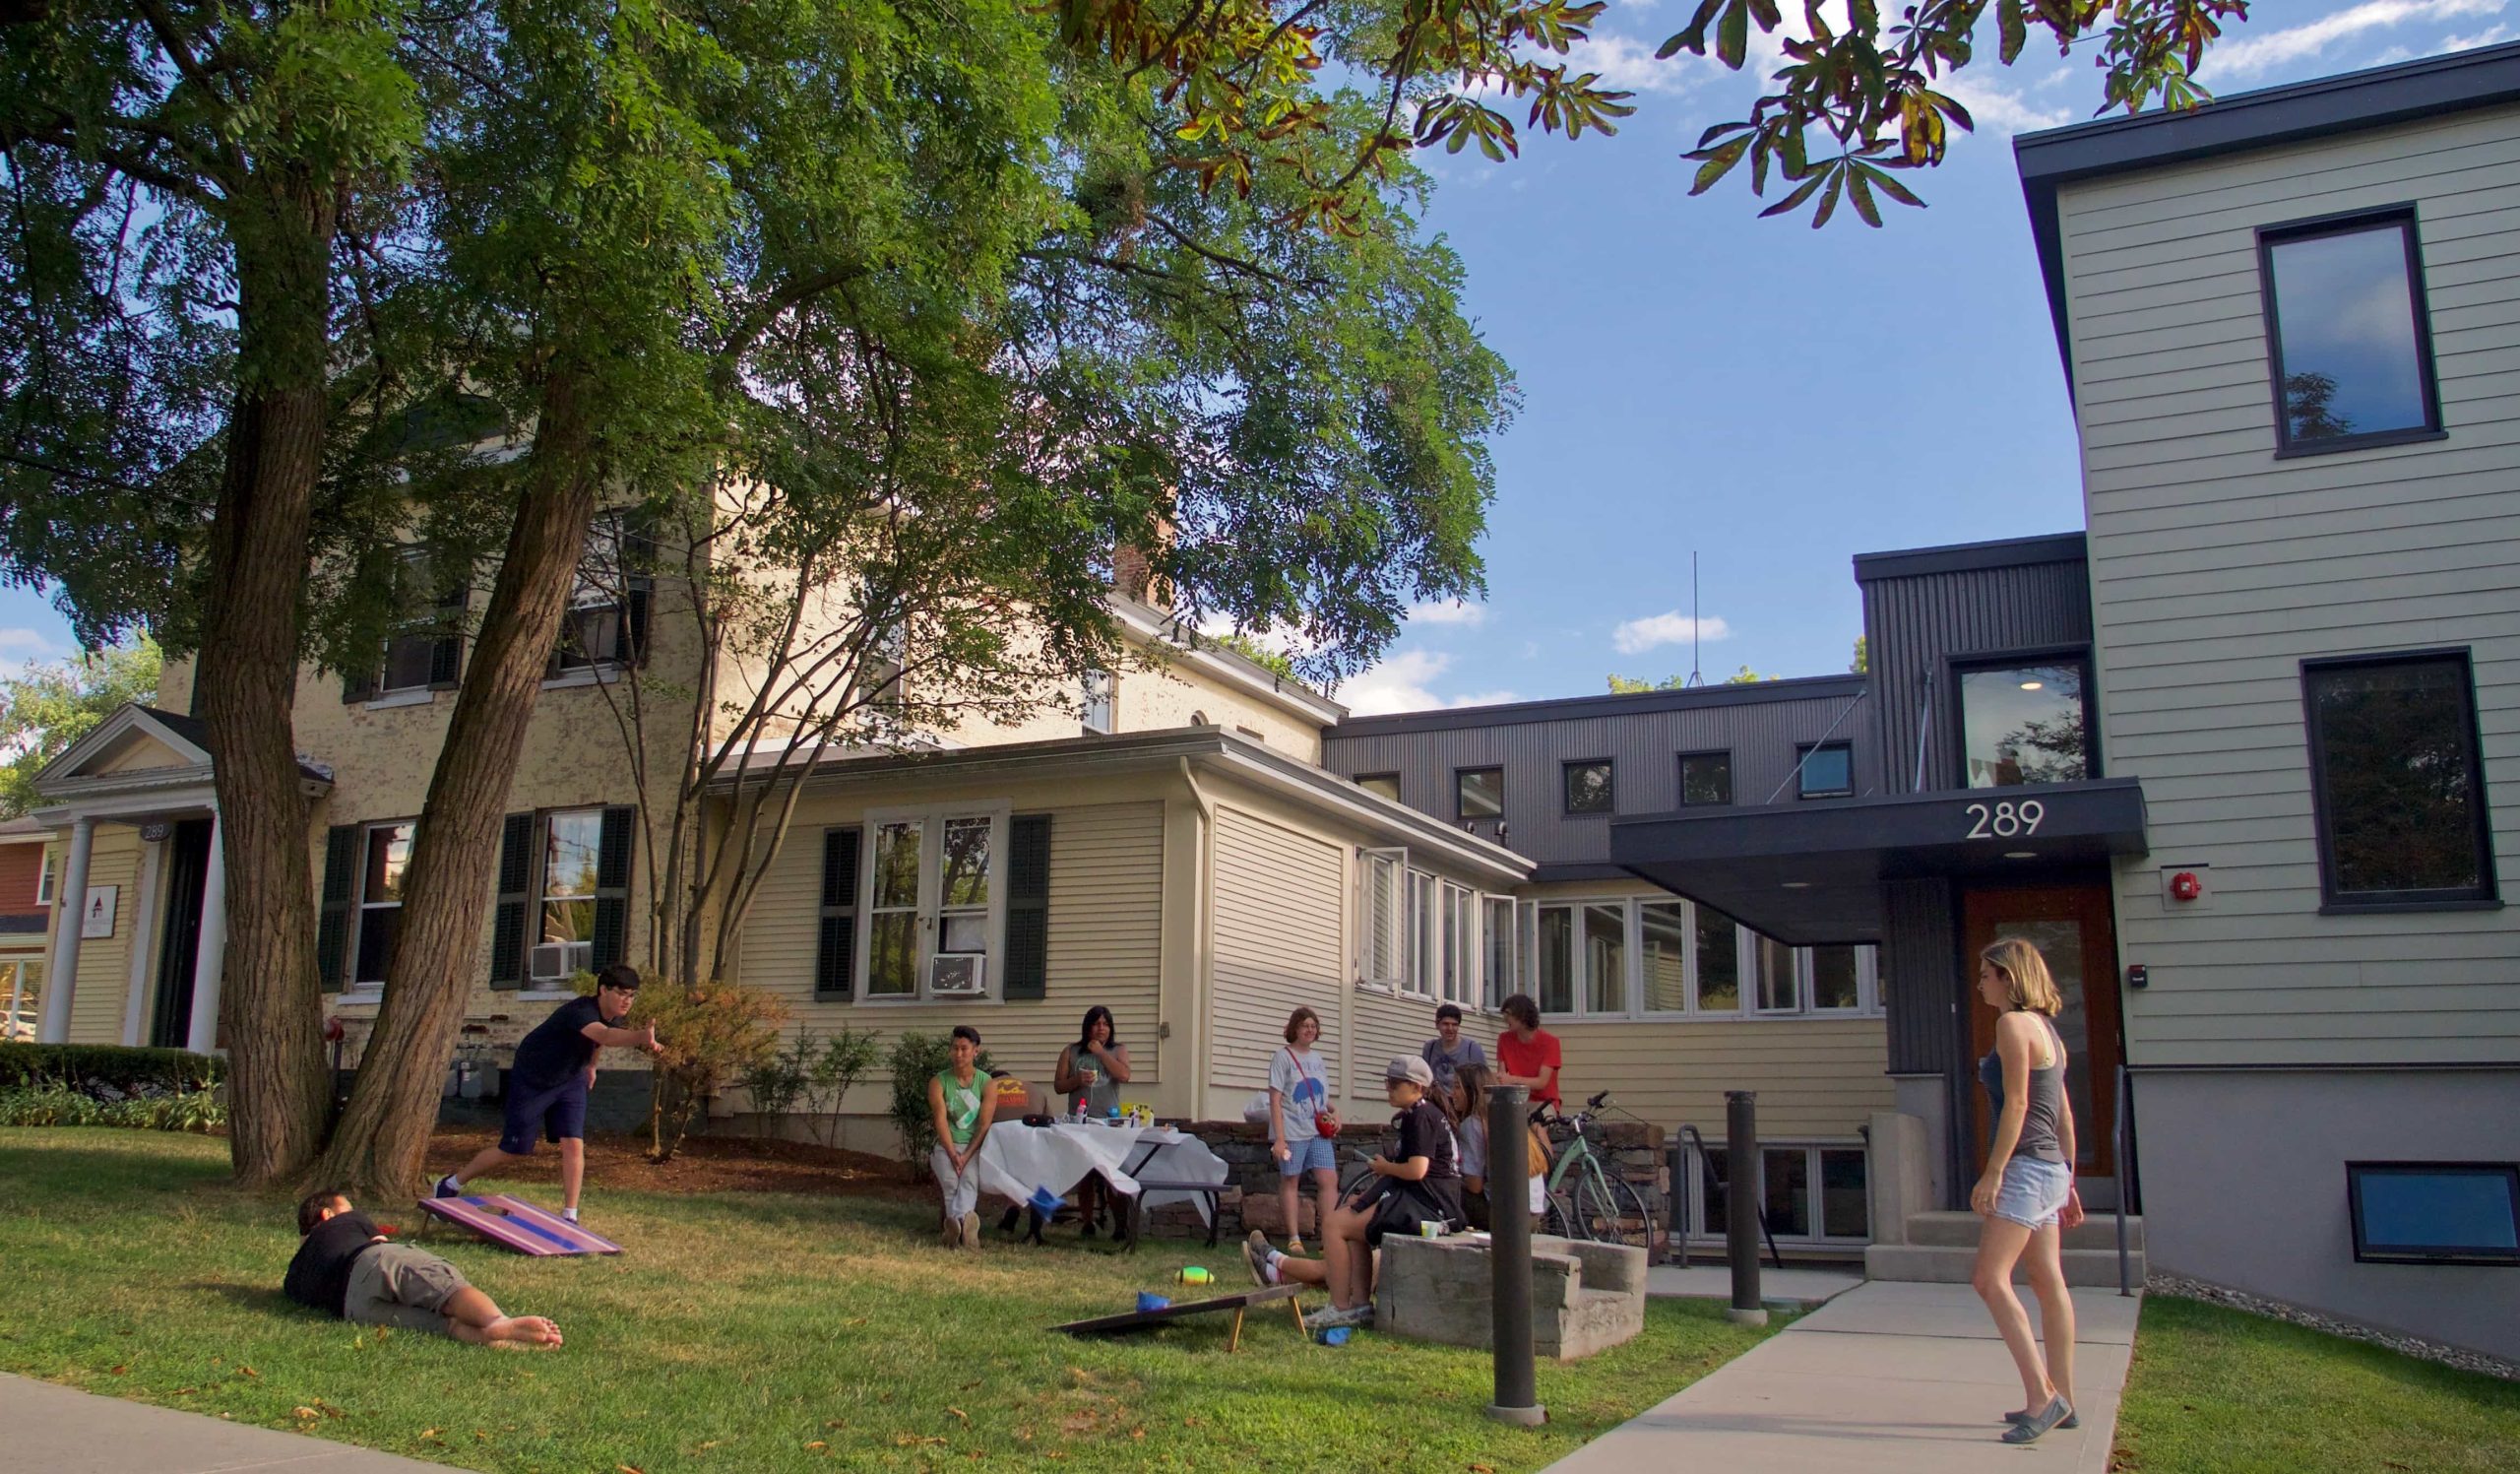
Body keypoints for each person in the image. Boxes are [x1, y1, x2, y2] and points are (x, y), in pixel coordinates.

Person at [1242, 1056, 1464, 1331]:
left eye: (1396, 1084)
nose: (1389, 1089)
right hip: (1420, 1199)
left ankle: (1340, 1306)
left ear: (1418, 1087)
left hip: (1430, 1207)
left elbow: (1417, 1170)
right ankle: (1359, 1305)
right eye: (1388, 1082)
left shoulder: (1422, 1116)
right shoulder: (1416, 1114)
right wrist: (1367, 1199)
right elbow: (1401, 1175)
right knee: (1352, 1225)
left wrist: (1385, 1167)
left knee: (1335, 1224)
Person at [436, 962, 662, 1223]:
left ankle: (570, 1215)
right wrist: (642, 1037)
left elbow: (599, 1040)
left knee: (573, 1143)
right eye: (622, 993)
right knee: (513, 1148)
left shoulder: (612, 1016)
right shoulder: (579, 1011)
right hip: (533, 1079)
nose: (627, 1001)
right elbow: (606, 1035)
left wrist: (591, 1067)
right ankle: (451, 1184)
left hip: (570, 1079)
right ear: (603, 990)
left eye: (632, 995)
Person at [1971, 937, 2085, 1445]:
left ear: (2007, 979)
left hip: (2024, 1169)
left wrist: (1993, 1173)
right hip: (2049, 1170)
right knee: (2045, 1279)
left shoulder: (2013, 1024)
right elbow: (2063, 1113)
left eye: (1985, 974)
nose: (1979, 983)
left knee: (1990, 1279)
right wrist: (2069, 1179)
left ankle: (2044, 1398)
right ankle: (2065, 1399)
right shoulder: (2049, 1032)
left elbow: (2017, 1104)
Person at [285, 1190, 561, 1348]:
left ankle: (487, 1338)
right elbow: (379, 1242)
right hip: (370, 1261)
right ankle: (496, 1321)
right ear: (328, 1214)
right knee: (447, 1291)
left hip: (353, 1308)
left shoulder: (296, 1275)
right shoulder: (344, 1224)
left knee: (444, 1326)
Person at [1053, 1006, 1133, 1236]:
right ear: (1087, 1027)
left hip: (1109, 1123)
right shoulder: (1071, 1051)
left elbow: (1124, 1075)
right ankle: (1087, 1223)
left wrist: (1101, 1053)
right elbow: (1059, 1086)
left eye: (1105, 1024)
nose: (1101, 1028)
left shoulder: (1118, 1050)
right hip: (1080, 1122)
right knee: (1085, 1175)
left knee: (1111, 1175)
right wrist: (1078, 1079)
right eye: (1096, 1024)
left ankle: (1120, 1226)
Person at [1267, 1006, 1339, 1254]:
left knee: (1328, 1180)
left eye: (1313, 1026)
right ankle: (1294, 1238)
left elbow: (1320, 1097)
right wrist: (1280, 1138)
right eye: (1304, 1025)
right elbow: (1275, 1098)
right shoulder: (1283, 1058)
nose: (1309, 1030)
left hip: (1317, 1131)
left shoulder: (1317, 1060)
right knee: (1291, 1180)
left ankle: (1328, 1237)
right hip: (1292, 1131)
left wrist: (1334, 1112)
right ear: (1294, 1029)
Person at [928, 1024, 998, 1250]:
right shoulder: (939, 1081)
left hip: (974, 1147)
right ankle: (965, 1227)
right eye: (955, 1048)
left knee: (968, 1181)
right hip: (946, 1146)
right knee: (950, 1183)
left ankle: (955, 1228)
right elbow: (940, 1120)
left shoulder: (987, 1083)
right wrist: (952, 1153)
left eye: (964, 1049)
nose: (959, 1054)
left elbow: (984, 1124)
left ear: (975, 1051)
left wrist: (966, 1155)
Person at [1492, 993, 1561, 1113]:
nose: (1505, 1018)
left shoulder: (1550, 1042)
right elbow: (1502, 1077)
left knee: (1537, 1123)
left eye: (1508, 1014)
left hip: (1544, 1102)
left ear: (1522, 1015)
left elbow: (1541, 1082)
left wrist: (1511, 1080)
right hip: (1514, 1100)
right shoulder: (1504, 1039)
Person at [1450, 1061, 1494, 1230]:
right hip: (1532, 1211)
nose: (1451, 1093)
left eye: (1457, 1087)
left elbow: (1475, 1186)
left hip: (1497, 1213)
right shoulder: (1501, 1118)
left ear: (1472, 1091)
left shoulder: (1471, 1124)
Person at [1419, 1002, 1488, 1094]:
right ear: (1437, 1024)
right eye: (1445, 1024)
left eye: (1454, 1024)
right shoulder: (1430, 1047)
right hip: (1436, 1104)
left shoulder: (1472, 1048)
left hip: (1463, 1104)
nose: (1450, 1028)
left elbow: (1483, 1080)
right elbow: (1423, 1079)